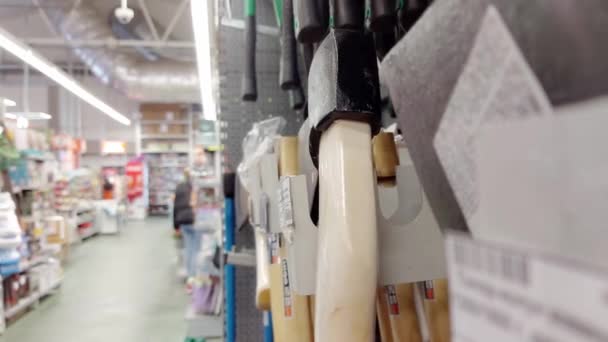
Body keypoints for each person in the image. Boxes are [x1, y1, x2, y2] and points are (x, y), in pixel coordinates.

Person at [173, 169, 200, 280]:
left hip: (182, 220)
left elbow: (175, 207)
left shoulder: (179, 187)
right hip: (193, 220)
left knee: (188, 248)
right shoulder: (195, 188)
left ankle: (189, 274)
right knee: (195, 249)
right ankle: (193, 276)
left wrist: (175, 226)